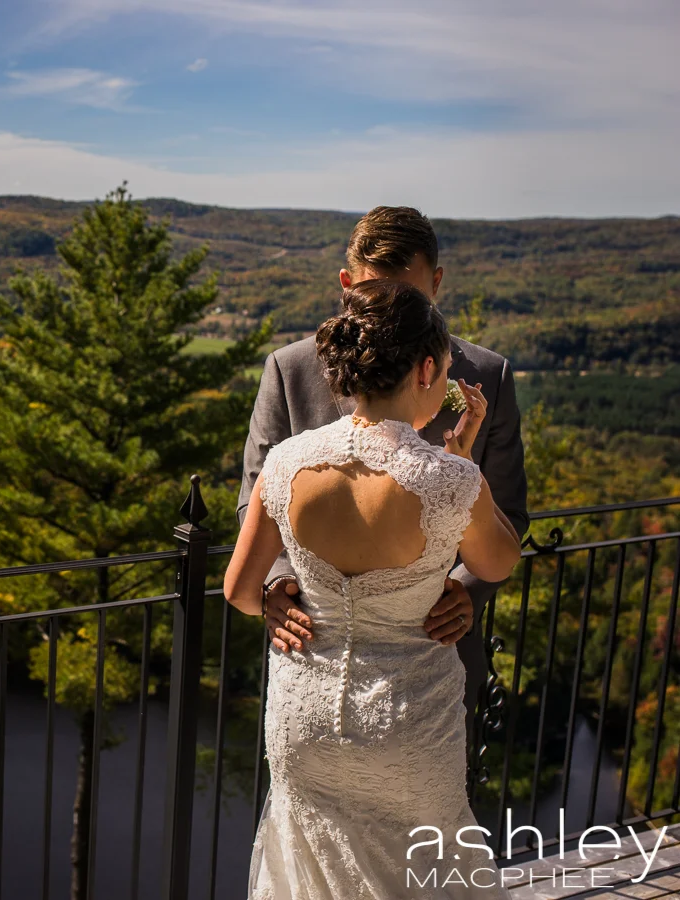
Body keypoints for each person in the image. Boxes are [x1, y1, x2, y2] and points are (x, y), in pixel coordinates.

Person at [223, 279, 524, 897]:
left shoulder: (286, 462)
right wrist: (464, 462)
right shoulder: (448, 479)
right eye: (444, 371)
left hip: (305, 720)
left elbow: (240, 591)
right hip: (409, 725)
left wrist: (277, 602)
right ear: (426, 369)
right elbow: (498, 562)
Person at [237, 206, 529, 752]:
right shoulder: (289, 369)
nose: (391, 316)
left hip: (434, 655)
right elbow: (254, 497)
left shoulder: (487, 376)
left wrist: (467, 594)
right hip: (312, 650)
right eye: (375, 293)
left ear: (436, 284)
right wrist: (275, 584)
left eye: (408, 296)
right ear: (347, 285)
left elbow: (509, 513)